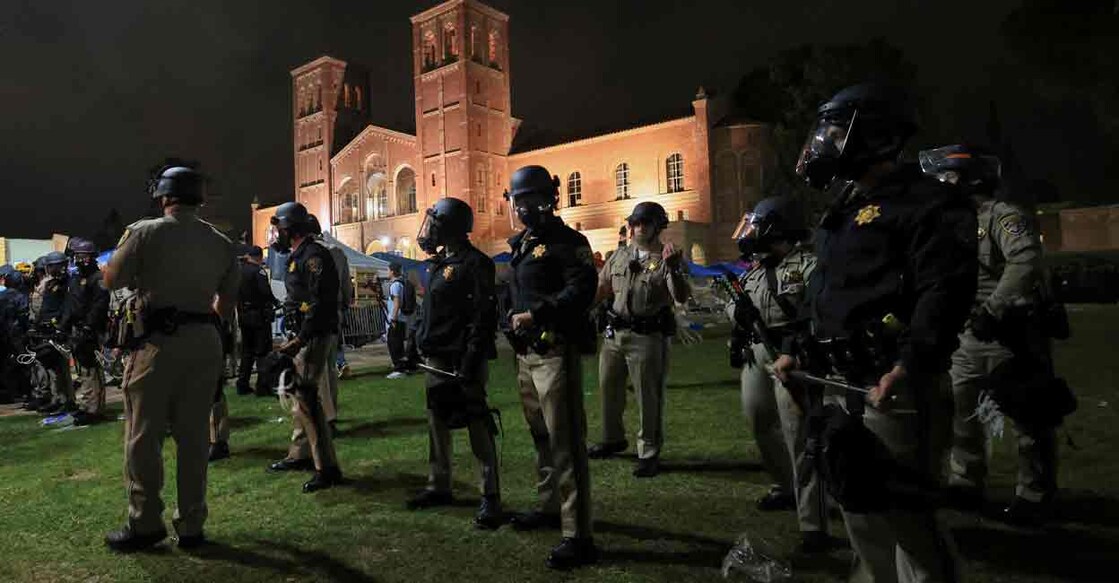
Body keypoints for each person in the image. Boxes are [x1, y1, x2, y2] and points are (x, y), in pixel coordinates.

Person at [774, 83, 977, 582]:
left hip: (891, 386)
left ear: (874, 135)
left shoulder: (928, 202)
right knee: (861, 515)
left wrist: (910, 364)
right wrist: (802, 352)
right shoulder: (844, 209)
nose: (825, 141)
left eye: (837, 131)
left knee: (910, 526)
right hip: (839, 383)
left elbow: (943, 293)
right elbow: (830, 293)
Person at [101, 165, 239, 552]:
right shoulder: (222, 242)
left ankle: (145, 522)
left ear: (164, 197)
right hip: (205, 340)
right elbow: (225, 305)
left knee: (144, 436)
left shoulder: (145, 231)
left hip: (158, 342)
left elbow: (112, 279)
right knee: (195, 437)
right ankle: (191, 525)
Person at [921, 144, 1060, 525]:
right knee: (963, 412)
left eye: (946, 177)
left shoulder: (1002, 215)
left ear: (965, 180)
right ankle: (965, 482)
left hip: (1008, 332)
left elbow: (1026, 260)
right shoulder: (951, 223)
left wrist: (994, 308)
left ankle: (1034, 494)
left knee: (1027, 416)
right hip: (966, 334)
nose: (940, 184)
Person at [503, 165, 599, 570]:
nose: (519, 207)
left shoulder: (568, 241)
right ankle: (548, 505)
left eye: (524, 200)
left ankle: (577, 532)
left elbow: (582, 290)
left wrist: (537, 314)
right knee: (541, 435)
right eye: (517, 200)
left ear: (542, 199)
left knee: (566, 442)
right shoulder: (524, 243)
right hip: (527, 354)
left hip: (555, 351)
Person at [725, 196, 832, 552]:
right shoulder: (754, 270)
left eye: (758, 225)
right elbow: (735, 305)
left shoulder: (808, 265)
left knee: (800, 436)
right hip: (758, 352)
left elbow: (812, 310)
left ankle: (812, 522)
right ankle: (784, 485)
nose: (751, 232)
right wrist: (736, 315)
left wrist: (793, 345)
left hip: (795, 354)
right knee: (757, 419)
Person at [406, 197, 503, 529]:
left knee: (477, 423)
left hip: (462, 358)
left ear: (449, 226)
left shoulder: (475, 264)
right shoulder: (436, 265)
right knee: (437, 423)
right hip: (436, 358)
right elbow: (428, 311)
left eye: (435, 222)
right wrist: (415, 339)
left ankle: (489, 496)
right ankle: (439, 485)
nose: (429, 229)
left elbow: (483, 316)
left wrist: (472, 357)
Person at [590, 201, 690, 477]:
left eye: (645, 223)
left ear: (658, 227)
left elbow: (680, 296)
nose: (638, 227)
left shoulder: (667, 258)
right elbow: (602, 286)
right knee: (608, 389)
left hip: (647, 337)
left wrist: (674, 268)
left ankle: (648, 451)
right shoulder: (619, 256)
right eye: (635, 223)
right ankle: (612, 438)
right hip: (614, 334)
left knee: (648, 397)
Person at [266, 201, 343, 493]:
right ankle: (300, 453)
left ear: (291, 230)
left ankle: (326, 467)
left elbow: (319, 303)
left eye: (280, 230)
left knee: (309, 401)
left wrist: (301, 338)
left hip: (313, 336)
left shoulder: (314, 256)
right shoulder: (300, 255)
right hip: (304, 334)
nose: (277, 236)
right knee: (300, 397)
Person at [57, 238, 110, 426]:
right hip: (77, 328)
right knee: (83, 369)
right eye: (77, 256)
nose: (78, 259)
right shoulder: (77, 277)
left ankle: (94, 408)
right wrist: (64, 325)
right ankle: (88, 404)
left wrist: (89, 326)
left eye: (81, 256)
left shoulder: (97, 277)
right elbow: (72, 304)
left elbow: (99, 305)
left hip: (90, 329)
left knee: (91, 369)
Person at [308, 214, 351, 429]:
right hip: (336, 311)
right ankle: (331, 410)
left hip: (315, 314)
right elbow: (346, 286)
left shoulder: (310, 253)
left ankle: (325, 416)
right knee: (331, 366)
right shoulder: (338, 252)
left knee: (317, 368)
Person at [29, 251, 75, 414]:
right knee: (53, 368)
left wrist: (61, 326)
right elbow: (45, 308)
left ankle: (68, 401)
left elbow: (67, 308)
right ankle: (58, 398)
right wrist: (37, 325)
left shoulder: (69, 283)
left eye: (52, 266)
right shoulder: (50, 284)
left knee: (63, 369)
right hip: (47, 330)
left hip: (61, 330)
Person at [234, 246, 275, 396]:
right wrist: (274, 303)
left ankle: (242, 384)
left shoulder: (239, 271)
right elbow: (265, 292)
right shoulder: (258, 271)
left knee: (247, 351)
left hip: (244, 314)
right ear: (258, 257)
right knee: (262, 351)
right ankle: (263, 386)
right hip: (259, 315)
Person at [385, 262, 414, 379]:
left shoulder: (395, 285)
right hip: (402, 319)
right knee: (399, 344)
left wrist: (393, 319)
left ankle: (399, 369)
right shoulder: (402, 283)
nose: (387, 272)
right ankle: (402, 366)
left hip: (396, 319)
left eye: (388, 270)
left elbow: (397, 303)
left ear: (392, 271)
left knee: (394, 344)